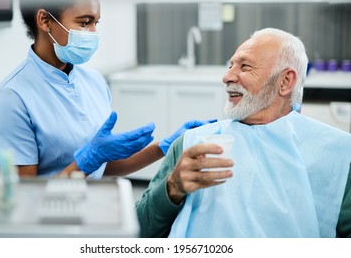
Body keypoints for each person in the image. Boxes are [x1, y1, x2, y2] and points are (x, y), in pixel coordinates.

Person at [136, 28, 351, 238]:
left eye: (245, 67)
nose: (227, 76)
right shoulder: (192, 146)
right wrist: (172, 187)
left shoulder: (338, 156)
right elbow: (139, 231)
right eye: (230, 65)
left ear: (285, 81)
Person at [0, 0, 215, 178]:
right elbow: (23, 203)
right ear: (45, 21)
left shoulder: (93, 82)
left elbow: (105, 166)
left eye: (96, 23)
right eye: (85, 22)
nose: (93, 33)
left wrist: (167, 146)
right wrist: (87, 160)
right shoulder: (11, 98)